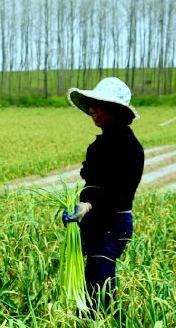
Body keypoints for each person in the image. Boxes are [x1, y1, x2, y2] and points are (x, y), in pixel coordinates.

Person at [62, 77, 144, 315]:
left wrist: (87, 206)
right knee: (89, 283)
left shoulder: (129, 147)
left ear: (116, 110)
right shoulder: (100, 144)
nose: (92, 110)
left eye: (99, 104)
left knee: (100, 284)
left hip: (114, 224)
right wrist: (82, 209)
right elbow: (92, 185)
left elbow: (120, 192)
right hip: (95, 223)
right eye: (91, 105)